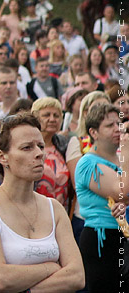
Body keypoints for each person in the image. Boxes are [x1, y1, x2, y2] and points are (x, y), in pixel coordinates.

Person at [0, 113, 85, 293]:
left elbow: (77, 276)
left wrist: (25, 290)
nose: (39, 154)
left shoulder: (54, 208)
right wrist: (51, 267)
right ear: (2, 156)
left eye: (40, 146)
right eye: (27, 148)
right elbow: (0, 278)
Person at [74, 102, 129, 292]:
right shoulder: (87, 163)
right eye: (109, 125)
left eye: (119, 123)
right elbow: (121, 192)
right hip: (103, 238)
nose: (117, 129)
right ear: (94, 132)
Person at [31, 98, 72, 211]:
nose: (52, 119)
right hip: (34, 210)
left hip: (61, 212)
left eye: (56, 115)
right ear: (35, 117)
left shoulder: (64, 145)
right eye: (46, 115)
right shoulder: (27, 146)